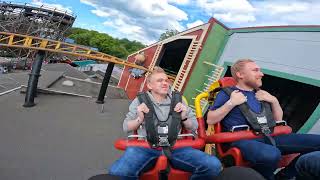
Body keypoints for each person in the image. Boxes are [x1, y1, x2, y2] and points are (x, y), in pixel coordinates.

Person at [207, 59, 320, 180]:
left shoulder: (261, 94)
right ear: (240, 75)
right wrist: (231, 102)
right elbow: (210, 120)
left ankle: (284, 176)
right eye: (255, 70)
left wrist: (274, 100)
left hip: (267, 135)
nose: (261, 74)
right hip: (242, 140)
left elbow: (278, 120)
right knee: (271, 154)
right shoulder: (227, 94)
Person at [109, 67, 222, 180]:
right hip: (146, 146)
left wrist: (184, 118)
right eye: (159, 81)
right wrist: (139, 118)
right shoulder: (139, 101)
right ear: (149, 85)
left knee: (213, 165)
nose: (164, 83)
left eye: (166, 80)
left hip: (176, 147)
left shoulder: (179, 100)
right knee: (119, 172)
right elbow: (126, 127)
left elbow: (194, 127)